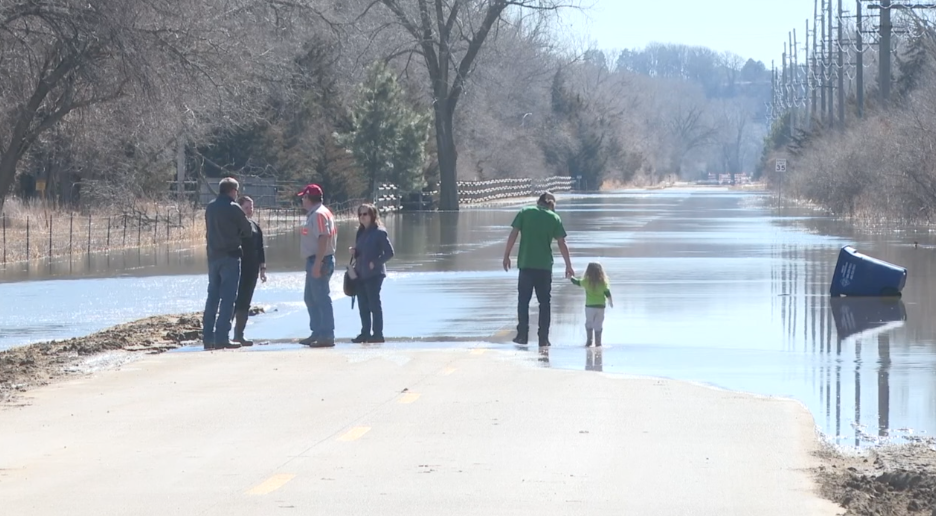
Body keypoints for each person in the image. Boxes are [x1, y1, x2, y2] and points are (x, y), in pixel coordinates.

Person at [502, 191, 574, 347]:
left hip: (526, 264)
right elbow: (562, 243)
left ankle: (522, 335)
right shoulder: (554, 218)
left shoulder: (525, 212)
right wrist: (568, 265)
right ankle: (543, 338)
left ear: (538, 201)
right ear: (550, 204)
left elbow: (513, 234)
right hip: (544, 267)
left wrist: (507, 255)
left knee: (523, 301)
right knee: (544, 303)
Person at [203, 177, 252, 350]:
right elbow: (248, 230)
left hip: (213, 257)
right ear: (232, 191)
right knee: (228, 298)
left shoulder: (210, 207)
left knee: (212, 298)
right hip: (230, 257)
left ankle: (208, 338)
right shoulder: (234, 208)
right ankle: (222, 337)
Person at [298, 184, 337, 347]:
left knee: (321, 298)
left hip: (320, 260)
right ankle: (317, 332)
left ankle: (326, 335)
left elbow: (323, 237)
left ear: (308, 198)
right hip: (316, 259)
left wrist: (318, 263)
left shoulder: (319, 214)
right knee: (310, 298)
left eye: (303, 197)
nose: (301, 200)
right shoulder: (317, 213)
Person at [350, 203, 395, 343]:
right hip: (360, 272)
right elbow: (361, 252)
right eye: (360, 214)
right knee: (363, 304)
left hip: (375, 274)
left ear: (372, 215)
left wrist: (375, 262)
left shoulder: (379, 232)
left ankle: (377, 334)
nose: (362, 217)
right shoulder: (360, 232)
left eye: (365, 214)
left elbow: (390, 253)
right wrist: (355, 252)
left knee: (374, 304)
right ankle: (365, 333)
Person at [231, 196, 267, 346]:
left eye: (251, 207)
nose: (250, 210)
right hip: (239, 268)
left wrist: (262, 269)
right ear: (240, 209)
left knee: (245, 302)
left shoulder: (254, 225)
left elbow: (260, 248)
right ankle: (223, 334)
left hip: (252, 269)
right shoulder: (235, 225)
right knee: (233, 301)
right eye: (246, 207)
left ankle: (239, 335)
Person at [570, 262, 613, 347]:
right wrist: (610, 302)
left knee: (589, 323)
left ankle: (589, 341)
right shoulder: (603, 283)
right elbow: (607, 293)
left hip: (589, 307)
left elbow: (577, 282)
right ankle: (598, 342)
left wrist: (570, 277)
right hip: (601, 307)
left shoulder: (586, 282)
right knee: (598, 324)